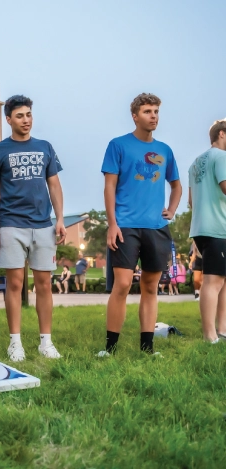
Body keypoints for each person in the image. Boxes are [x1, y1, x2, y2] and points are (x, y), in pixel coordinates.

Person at [0, 95, 66, 361]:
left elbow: (54, 184)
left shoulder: (44, 147)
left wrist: (60, 219)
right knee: (15, 283)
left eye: (28, 114)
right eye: (20, 116)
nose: (26, 120)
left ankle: (46, 342)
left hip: (43, 225)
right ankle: (15, 343)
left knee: (44, 284)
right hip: (11, 224)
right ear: (9, 119)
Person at [98, 93, 182, 357]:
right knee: (122, 284)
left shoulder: (165, 150)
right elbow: (109, 187)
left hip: (156, 227)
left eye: (156, 111)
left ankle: (147, 348)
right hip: (126, 226)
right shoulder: (118, 145)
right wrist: (112, 223)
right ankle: (110, 349)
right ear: (135, 116)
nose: (153, 115)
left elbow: (176, 185)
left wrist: (172, 209)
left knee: (150, 286)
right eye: (147, 111)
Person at [188, 119, 226, 343]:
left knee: (222, 280)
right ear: (222, 134)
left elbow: (191, 201)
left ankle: (222, 329)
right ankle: (209, 336)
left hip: (201, 228)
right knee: (213, 282)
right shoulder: (221, 157)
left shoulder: (195, 162)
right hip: (218, 227)